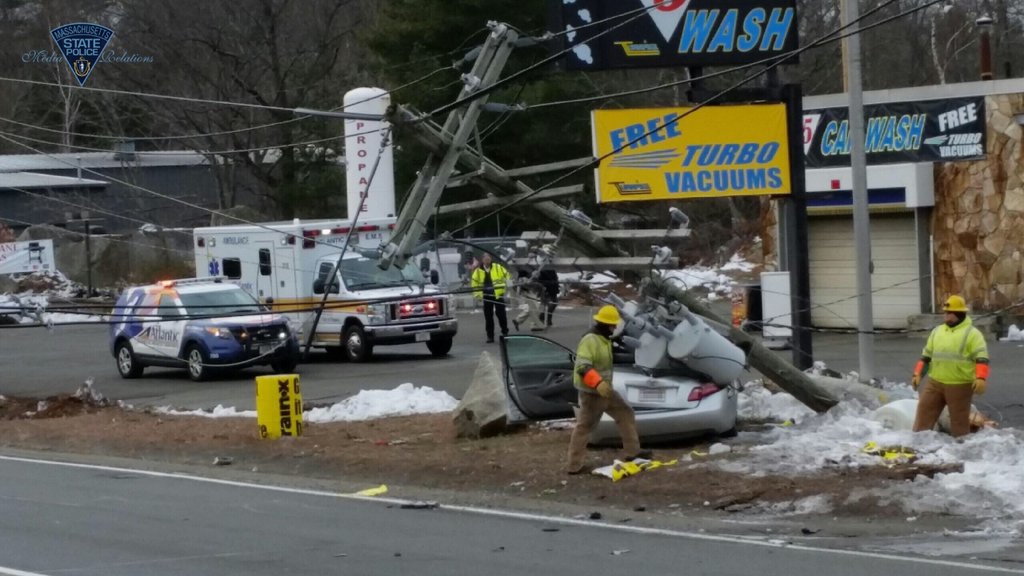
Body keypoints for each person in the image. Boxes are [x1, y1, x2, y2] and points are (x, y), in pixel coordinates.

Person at [567, 305, 649, 474]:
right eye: (613, 325)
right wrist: (597, 383)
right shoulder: (590, 340)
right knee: (585, 427)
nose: (615, 327)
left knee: (625, 413)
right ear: (606, 324)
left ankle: (633, 452)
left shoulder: (603, 339)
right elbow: (582, 367)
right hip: (592, 393)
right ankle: (574, 465)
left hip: (605, 391)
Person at [910, 295, 989, 438]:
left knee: (959, 421)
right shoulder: (937, 331)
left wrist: (981, 378)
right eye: (945, 313)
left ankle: (961, 446)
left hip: (959, 384)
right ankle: (919, 442)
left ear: (959, 314)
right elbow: (926, 356)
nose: (946, 316)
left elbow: (981, 358)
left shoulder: (972, 334)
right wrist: (918, 374)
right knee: (924, 412)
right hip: (935, 382)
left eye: (950, 313)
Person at [470, 252, 510, 343]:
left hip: (498, 294)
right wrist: (478, 295)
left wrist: (507, 285)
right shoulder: (478, 271)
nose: (487, 261)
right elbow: (474, 283)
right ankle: (490, 336)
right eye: (485, 259)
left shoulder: (497, 267)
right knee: (488, 317)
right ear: (482, 260)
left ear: (491, 259)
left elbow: (507, 275)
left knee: (501, 315)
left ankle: (505, 333)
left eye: (489, 259)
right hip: (486, 296)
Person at [513, 268, 545, 332]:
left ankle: (519, 321)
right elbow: (518, 285)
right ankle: (532, 325)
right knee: (533, 309)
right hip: (526, 294)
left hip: (528, 293)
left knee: (532, 309)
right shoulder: (524, 278)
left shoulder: (527, 278)